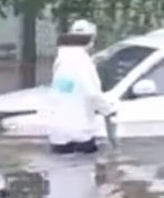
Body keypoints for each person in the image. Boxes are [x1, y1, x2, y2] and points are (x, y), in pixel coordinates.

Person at [45, 19, 116, 155]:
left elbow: (62, 91)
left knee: (60, 173)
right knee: (84, 172)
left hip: (58, 133)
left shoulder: (62, 60)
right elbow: (92, 94)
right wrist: (108, 110)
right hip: (80, 132)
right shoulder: (83, 62)